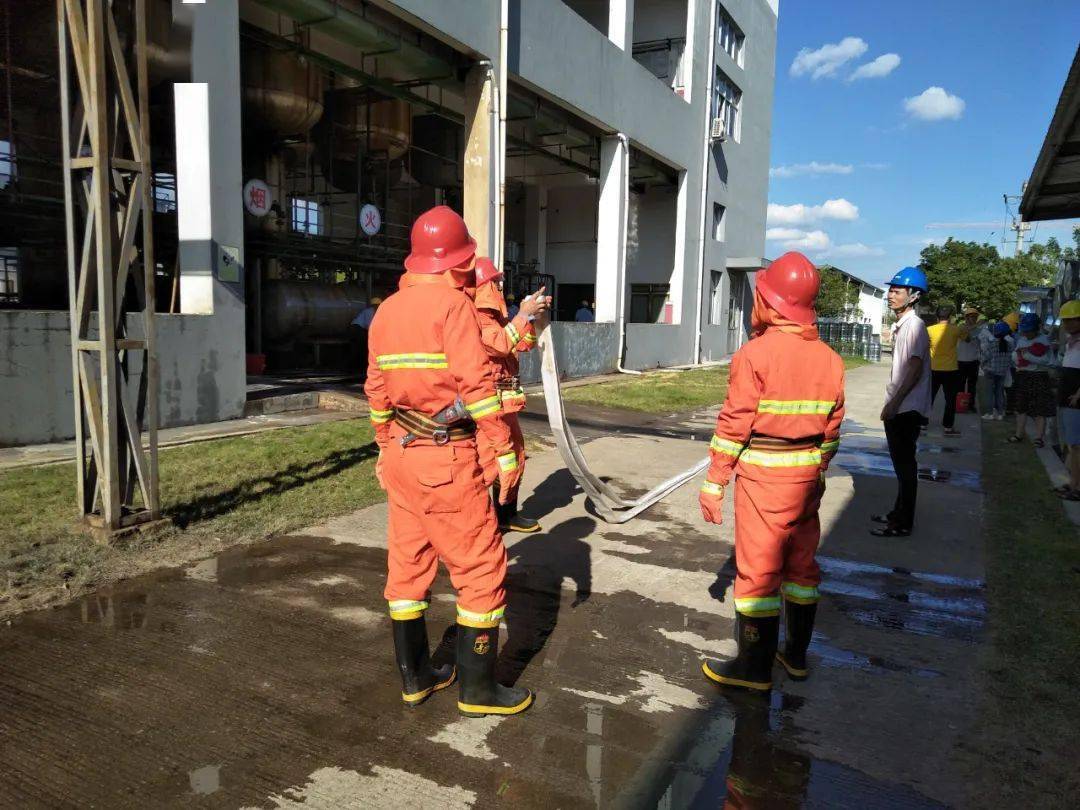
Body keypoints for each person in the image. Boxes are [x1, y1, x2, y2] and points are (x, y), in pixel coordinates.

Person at [365, 205, 533, 718]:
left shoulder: (387, 309)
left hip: (401, 453)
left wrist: (384, 445)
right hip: (447, 457)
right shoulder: (454, 306)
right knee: (481, 567)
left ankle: (417, 677)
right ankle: (479, 691)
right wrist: (505, 451)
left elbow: (375, 390)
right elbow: (479, 393)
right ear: (459, 261)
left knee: (408, 567)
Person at [698, 252, 845, 691]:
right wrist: (816, 470)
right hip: (807, 481)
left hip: (763, 479)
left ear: (770, 302)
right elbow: (832, 431)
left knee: (759, 573)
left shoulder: (754, 354)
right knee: (801, 569)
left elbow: (734, 424)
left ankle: (753, 670)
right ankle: (795, 656)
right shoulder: (831, 359)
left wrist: (715, 481)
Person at [472, 257, 550, 532]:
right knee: (490, 462)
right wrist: (522, 314)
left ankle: (506, 515)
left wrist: (532, 316)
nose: (499, 286)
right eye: (494, 281)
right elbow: (500, 345)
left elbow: (522, 344)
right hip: (488, 403)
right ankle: (480, 520)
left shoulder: (497, 316)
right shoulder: (477, 316)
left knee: (513, 457)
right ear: (482, 285)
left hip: (505, 401)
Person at [874, 266, 932, 538]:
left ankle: (903, 523)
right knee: (901, 466)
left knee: (906, 467)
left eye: (897, 291)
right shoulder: (904, 325)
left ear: (914, 296)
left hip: (906, 408)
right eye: (891, 290)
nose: (890, 295)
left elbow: (915, 368)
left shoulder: (915, 327)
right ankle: (897, 513)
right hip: (902, 405)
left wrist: (894, 403)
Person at [1009, 312, 1057, 448]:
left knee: (1039, 409)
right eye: (1025, 331)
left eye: (1029, 331)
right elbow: (1017, 355)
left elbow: (1048, 361)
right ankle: (1019, 434)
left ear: (1036, 328)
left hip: (1039, 376)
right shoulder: (1022, 339)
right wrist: (1017, 358)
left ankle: (1039, 437)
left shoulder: (1044, 340)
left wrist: (1029, 357)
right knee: (1020, 406)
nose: (1027, 334)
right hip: (1023, 375)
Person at [1055, 300, 1080, 500]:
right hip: (1066, 398)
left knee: (1076, 446)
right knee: (1071, 445)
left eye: (1072, 320)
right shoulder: (1072, 342)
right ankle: (1072, 483)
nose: (1068, 325)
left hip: (1075, 401)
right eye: (1066, 321)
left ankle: (1076, 488)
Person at [927, 306, 962, 436]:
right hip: (951, 369)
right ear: (950, 317)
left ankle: (923, 423)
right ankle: (948, 426)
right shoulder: (956, 330)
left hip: (933, 368)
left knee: (929, 397)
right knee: (950, 399)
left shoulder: (929, 330)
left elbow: (925, 345)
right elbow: (968, 338)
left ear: (937, 317)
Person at [980, 321, 1014, 422]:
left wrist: (982, 364)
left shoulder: (992, 343)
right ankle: (1000, 413)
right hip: (1002, 371)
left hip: (991, 371)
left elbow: (986, 356)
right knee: (1000, 392)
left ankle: (990, 413)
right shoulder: (1009, 344)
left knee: (990, 393)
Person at [957, 307, 984, 409]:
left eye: (975, 317)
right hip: (961, 360)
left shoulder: (979, 330)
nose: (974, 319)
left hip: (974, 360)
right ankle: (960, 404)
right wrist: (976, 326)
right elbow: (967, 338)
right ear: (966, 318)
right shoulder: (961, 327)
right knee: (960, 384)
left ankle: (970, 405)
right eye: (972, 316)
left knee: (972, 386)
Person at [349, 296, 381, 379]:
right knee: (361, 347)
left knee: (360, 348)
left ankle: (355, 367)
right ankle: (356, 367)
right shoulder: (369, 312)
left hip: (358, 329)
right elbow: (369, 325)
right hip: (357, 329)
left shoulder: (372, 311)